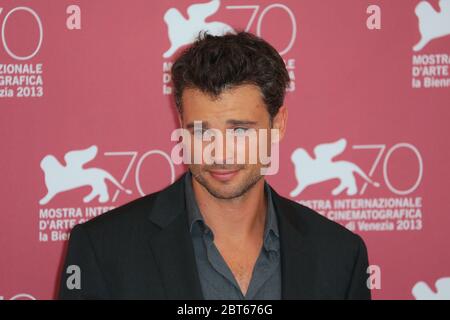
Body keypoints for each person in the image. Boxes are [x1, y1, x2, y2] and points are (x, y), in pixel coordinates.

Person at [59, 32, 371, 300]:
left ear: (278, 125)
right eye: (201, 131)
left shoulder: (340, 254)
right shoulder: (103, 250)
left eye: (239, 130)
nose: (218, 153)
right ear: (181, 125)